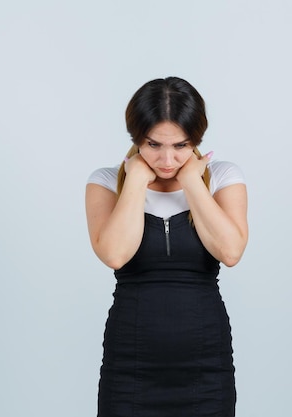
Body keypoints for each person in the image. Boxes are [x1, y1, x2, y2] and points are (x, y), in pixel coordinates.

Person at [85, 77, 248, 416]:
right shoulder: (104, 182)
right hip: (131, 365)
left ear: (197, 140)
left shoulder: (223, 178)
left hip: (206, 365)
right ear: (136, 138)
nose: (167, 159)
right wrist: (136, 181)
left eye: (181, 146)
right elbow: (115, 255)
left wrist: (192, 183)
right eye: (153, 144)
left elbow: (230, 252)